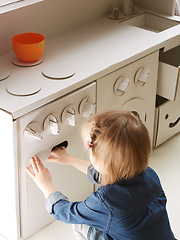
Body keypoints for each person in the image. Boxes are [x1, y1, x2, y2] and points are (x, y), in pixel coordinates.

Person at [26, 110, 176, 240]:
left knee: (80, 223)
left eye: (90, 151)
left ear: (103, 163)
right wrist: (69, 159)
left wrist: (46, 185)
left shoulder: (106, 201)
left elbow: (67, 212)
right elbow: (107, 174)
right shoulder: (150, 175)